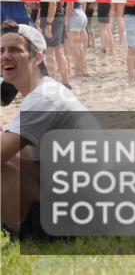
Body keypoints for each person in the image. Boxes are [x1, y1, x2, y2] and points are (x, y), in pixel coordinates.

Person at [1, 23, 99, 240]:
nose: (5, 56)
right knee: (13, 152)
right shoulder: (46, 89)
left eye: (15, 50)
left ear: (37, 58)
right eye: (1, 51)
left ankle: (30, 235)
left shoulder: (42, 99)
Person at [33, 0, 71, 88]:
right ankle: (65, 82)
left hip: (52, 19)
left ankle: (52, 83)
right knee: (59, 52)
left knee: (50, 53)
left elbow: (53, 4)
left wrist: (48, 24)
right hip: (58, 17)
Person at [60, 0, 89, 79]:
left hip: (75, 14)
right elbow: (84, 2)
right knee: (80, 45)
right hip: (82, 13)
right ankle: (83, 68)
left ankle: (79, 69)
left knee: (74, 45)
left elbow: (70, 4)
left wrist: (67, 20)